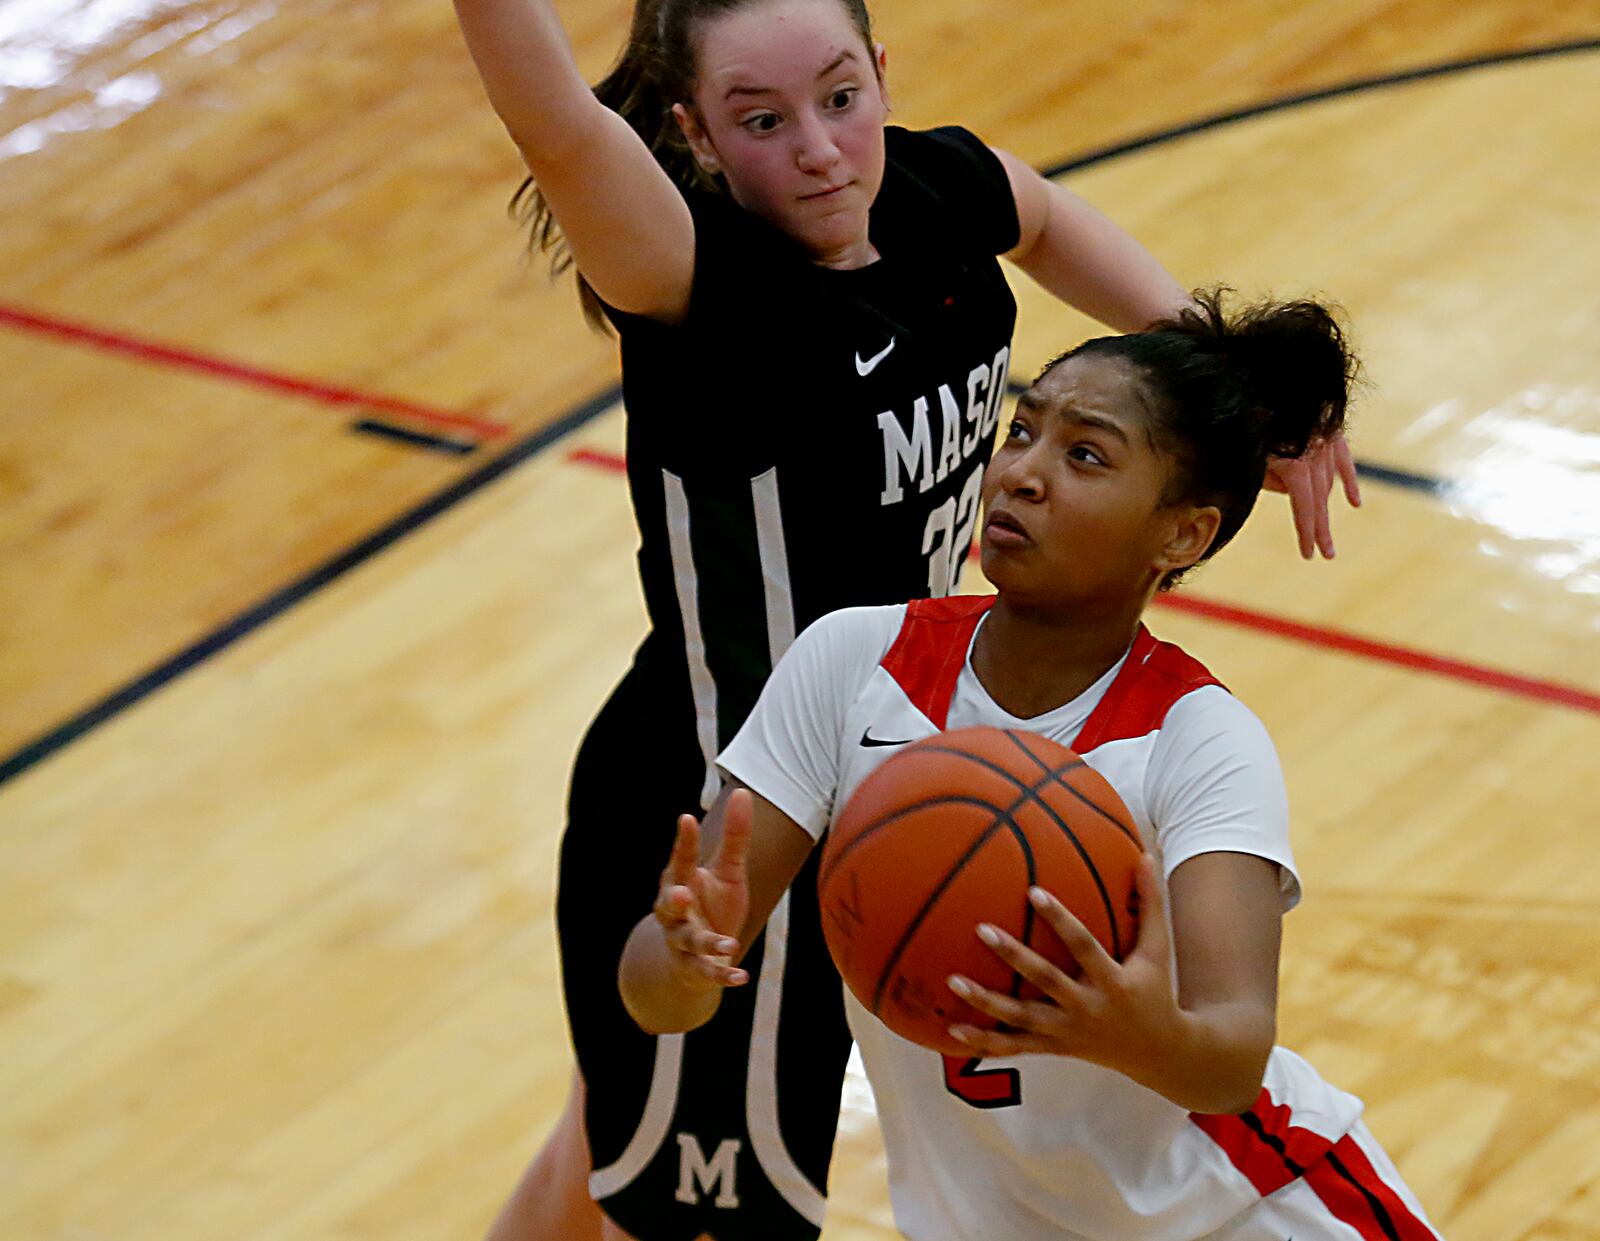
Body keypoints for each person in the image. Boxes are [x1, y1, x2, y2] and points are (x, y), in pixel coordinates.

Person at [450, 0, 1360, 1237]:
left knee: (610, 1155)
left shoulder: (930, 191)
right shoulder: (698, 281)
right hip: (727, 815)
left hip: (886, 774)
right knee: (687, 1209)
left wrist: (1232, 399)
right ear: (695, 136)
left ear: (881, 75)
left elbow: (1039, 215)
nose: (820, 148)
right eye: (760, 122)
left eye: (840, 98)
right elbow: (556, 128)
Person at [624, 290, 1442, 1241]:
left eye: (1084, 454)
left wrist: (1135, 1031)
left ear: (1181, 533)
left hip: (1251, 1212)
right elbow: (655, 996)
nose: (1021, 473)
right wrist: (686, 955)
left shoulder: (1199, 740)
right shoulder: (853, 663)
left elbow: (1230, 1055)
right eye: (1023, 430)